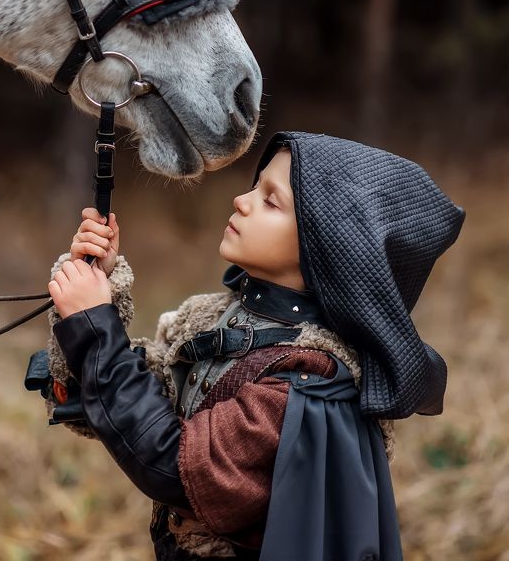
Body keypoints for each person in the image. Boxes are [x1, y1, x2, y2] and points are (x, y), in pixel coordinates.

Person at [45, 131, 465, 561]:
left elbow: (172, 465)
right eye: (255, 187)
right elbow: (131, 405)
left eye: (271, 201)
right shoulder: (214, 319)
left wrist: (93, 328)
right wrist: (96, 290)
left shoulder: (306, 380)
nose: (241, 201)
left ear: (325, 245)